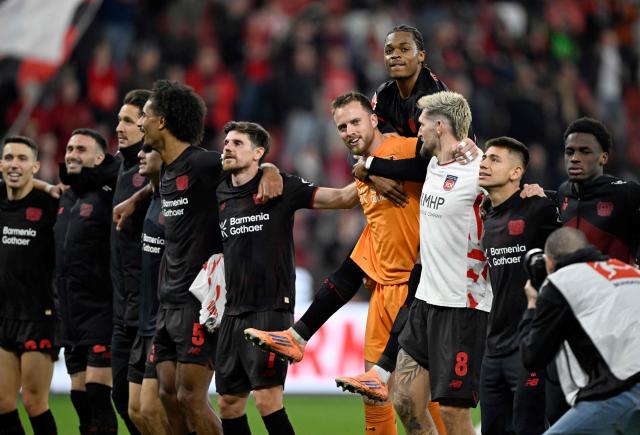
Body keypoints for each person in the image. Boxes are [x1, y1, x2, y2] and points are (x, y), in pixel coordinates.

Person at [135, 79, 282, 435]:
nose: (140, 122)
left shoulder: (201, 164)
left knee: (190, 397)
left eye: (145, 115)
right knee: (167, 395)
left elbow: (247, 166)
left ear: (162, 122)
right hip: (166, 301)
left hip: (195, 302)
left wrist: (271, 170)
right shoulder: (167, 171)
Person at [215, 120, 358, 435]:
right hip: (232, 311)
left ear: (258, 153)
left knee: (267, 400)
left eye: (237, 143)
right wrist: (269, 168)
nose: (227, 147)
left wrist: (371, 172)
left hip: (270, 309)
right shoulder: (220, 190)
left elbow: (341, 199)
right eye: (227, 142)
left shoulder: (283, 188)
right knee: (228, 403)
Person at [392, 91, 490, 435]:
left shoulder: (480, 170)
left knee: (452, 410)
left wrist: (533, 191)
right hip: (426, 302)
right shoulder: (435, 163)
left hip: (462, 306)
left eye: (421, 125)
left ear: (438, 126)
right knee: (404, 399)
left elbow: (513, 190)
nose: (417, 132)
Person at [519, 227, 640, 434]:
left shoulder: (561, 281)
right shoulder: (631, 272)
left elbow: (532, 356)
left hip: (625, 389)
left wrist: (532, 304)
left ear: (549, 262)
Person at [478, 137, 559, 434]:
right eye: (484, 157)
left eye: (494, 159)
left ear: (516, 173)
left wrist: (548, 194)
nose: (484, 163)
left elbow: (577, 219)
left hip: (529, 345)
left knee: (530, 428)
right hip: (493, 349)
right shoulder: (487, 217)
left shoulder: (536, 207)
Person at [54, 128, 120, 434]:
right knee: (79, 397)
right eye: (69, 149)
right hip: (71, 312)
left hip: (101, 310)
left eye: (81, 149)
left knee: (97, 393)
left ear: (99, 157)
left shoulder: (111, 191)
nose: (72, 154)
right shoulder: (65, 196)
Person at [0, 136, 58, 435]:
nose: (14, 164)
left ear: (34, 166)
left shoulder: (49, 206)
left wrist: (47, 187)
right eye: (8, 157)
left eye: (22, 158)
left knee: (34, 403)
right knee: (2, 404)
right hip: (4, 316)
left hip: (38, 316)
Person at [110, 89, 151, 435]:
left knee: (157, 404)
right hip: (121, 309)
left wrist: (269, 166)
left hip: (151, 309)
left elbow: (213, 166)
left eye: (128, 120)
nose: (119, 127)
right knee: (122, 400)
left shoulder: (161, 166)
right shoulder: (118, 168)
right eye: (118, 120)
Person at [126, 143, 170, 435]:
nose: (140, 155)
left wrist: (268, 169)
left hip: (167, 321)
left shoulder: (181, 198)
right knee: (135, 411)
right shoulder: (152, 197)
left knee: (152, 409)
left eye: (149, 150)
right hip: (144, 320)